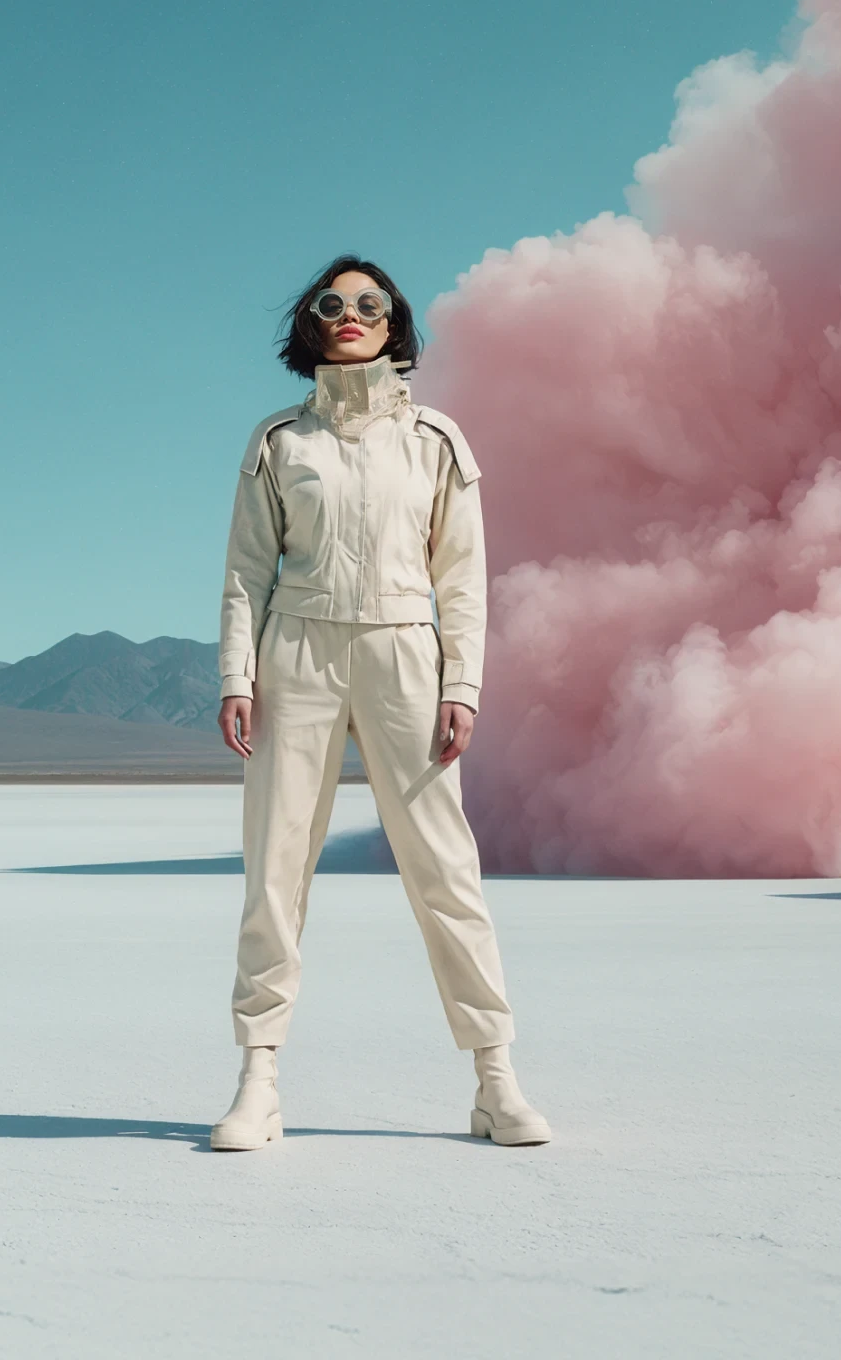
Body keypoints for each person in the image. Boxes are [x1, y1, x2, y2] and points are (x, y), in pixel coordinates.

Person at [211, 253, 551, 1152]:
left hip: (407, 651)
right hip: (299, 653)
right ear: (312, 323)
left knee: (446, 870)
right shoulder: (280, 441)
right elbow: (247, 572)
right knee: (274, 872)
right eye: (333, 302)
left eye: (370, 302)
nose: (350, 314)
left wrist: (463, 683)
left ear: (396, 323)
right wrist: (238, 676)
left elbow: (463, 579)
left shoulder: (437, 441)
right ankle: (259, 1080)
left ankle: (494, 1079)